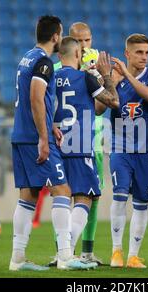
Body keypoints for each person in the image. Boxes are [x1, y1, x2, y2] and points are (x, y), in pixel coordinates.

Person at [10, 15, 93, 271]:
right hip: (35, 138)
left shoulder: (27, 57)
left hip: (20, 135)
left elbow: (32, 100)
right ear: (56, 36)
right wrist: (45, 137)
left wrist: (52, 124)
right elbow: (36, 97)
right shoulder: (44, 62)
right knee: (63, 190)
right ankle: (66, 256)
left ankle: (18, 258)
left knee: (29, 195)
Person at [54, 37, 119, 266]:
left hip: (56, 145)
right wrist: (108, 76)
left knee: (61, 198)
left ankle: (61, 252)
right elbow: (113, 101)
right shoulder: (85, 78)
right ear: (78, 55)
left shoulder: (50, 77)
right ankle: (67, 254)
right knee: (86, 197)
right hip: (80, 145)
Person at [47, 22, 107, 266]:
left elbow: (101, 108)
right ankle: (63, 251)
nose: (84, 46)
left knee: (92, 197)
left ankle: (87, 251)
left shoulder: (95, 67)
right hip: (69, 141)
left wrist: (99, 76)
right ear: (71, 44)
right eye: (79, 41)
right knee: (64, 197)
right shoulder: (56, 68)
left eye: (88, 40)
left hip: (94, 139)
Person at [109, 33, 148, 269]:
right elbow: (101, 106)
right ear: (127, 54)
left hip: (146, 149)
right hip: (120, 146)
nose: (144, 56)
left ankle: (133, 255)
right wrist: (107, 80)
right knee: (120, 196)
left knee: (142, 202)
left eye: (147, 52)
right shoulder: (115, 77)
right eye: (139, 52)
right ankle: (116, 252)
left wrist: (127, 75)